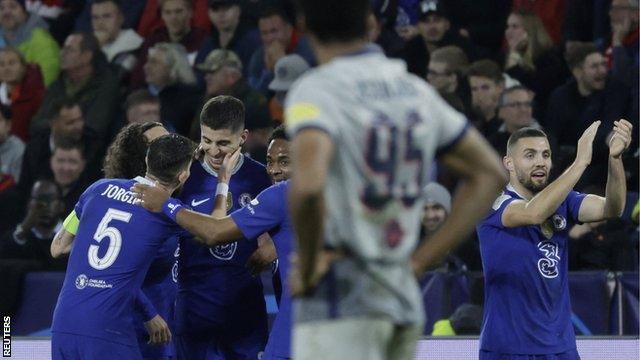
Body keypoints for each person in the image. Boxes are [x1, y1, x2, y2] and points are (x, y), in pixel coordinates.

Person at [283, 1, 507, 359]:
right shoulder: (413, 89)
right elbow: (490, 173)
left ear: (303, 25)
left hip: (343, 294)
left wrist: (308, 267)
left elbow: (308, 188)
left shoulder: (317, 90)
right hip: (401, 295)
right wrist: (420, 260)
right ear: (371, 24)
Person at [133, 125, 295, 359]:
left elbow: (215, 231)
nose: (274, 170)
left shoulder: (281, 194)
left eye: (285, 161)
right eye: (270, 161)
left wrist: (166, 204)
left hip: (297, 332)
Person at [476, 120, 632, 359]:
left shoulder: (564, 201)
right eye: (530, 155)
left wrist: (615, 159)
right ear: (508, 163)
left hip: (560, 347)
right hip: (508, 347)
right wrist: (580, 162)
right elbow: (533, 212)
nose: (540, 162)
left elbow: (613, 208)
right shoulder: (492, 204)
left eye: (545, 155)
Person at [49, 133, 195, 360]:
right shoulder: (168, 212)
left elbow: (58, 246)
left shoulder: (97, 189)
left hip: (63, 323)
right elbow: (213, 231)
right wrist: (223, 182)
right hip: (109, 329)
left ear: (147, 161)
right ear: (183, 175)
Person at [169, 95, 272, 359]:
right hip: (194, 307)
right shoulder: (182, 176)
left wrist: (271, 246)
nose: (214, 151)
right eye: (207, 141)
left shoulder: (261, 177)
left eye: (223, 143)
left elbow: (282, 224)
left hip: (245, 307)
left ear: (243, 137)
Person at [102, 121, 180, 360]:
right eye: (160, 144)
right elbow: (115, 272)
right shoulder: (132, 208)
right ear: (143, 160)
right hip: (136, 328)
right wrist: (149, 314)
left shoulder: (172, 201)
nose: (172, 146)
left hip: (167, 328)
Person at [0, 0, 60, 85]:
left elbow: (43, 82)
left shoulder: (43, 42)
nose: (6, 12)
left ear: (24, 13)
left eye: (13, 7)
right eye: (1, 8)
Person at [0, 47, 45, 141]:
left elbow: (40, 132)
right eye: (1, 64)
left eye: (12, 63)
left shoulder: (38, 95)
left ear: (23, 67)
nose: (6, 68)